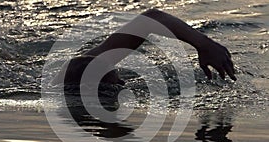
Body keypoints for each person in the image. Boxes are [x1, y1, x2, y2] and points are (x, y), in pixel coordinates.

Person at [52, 9, 236, 86]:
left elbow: (151, 18)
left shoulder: (76, 69)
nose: (123, 83)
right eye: (117, 82)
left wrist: (204, 44)